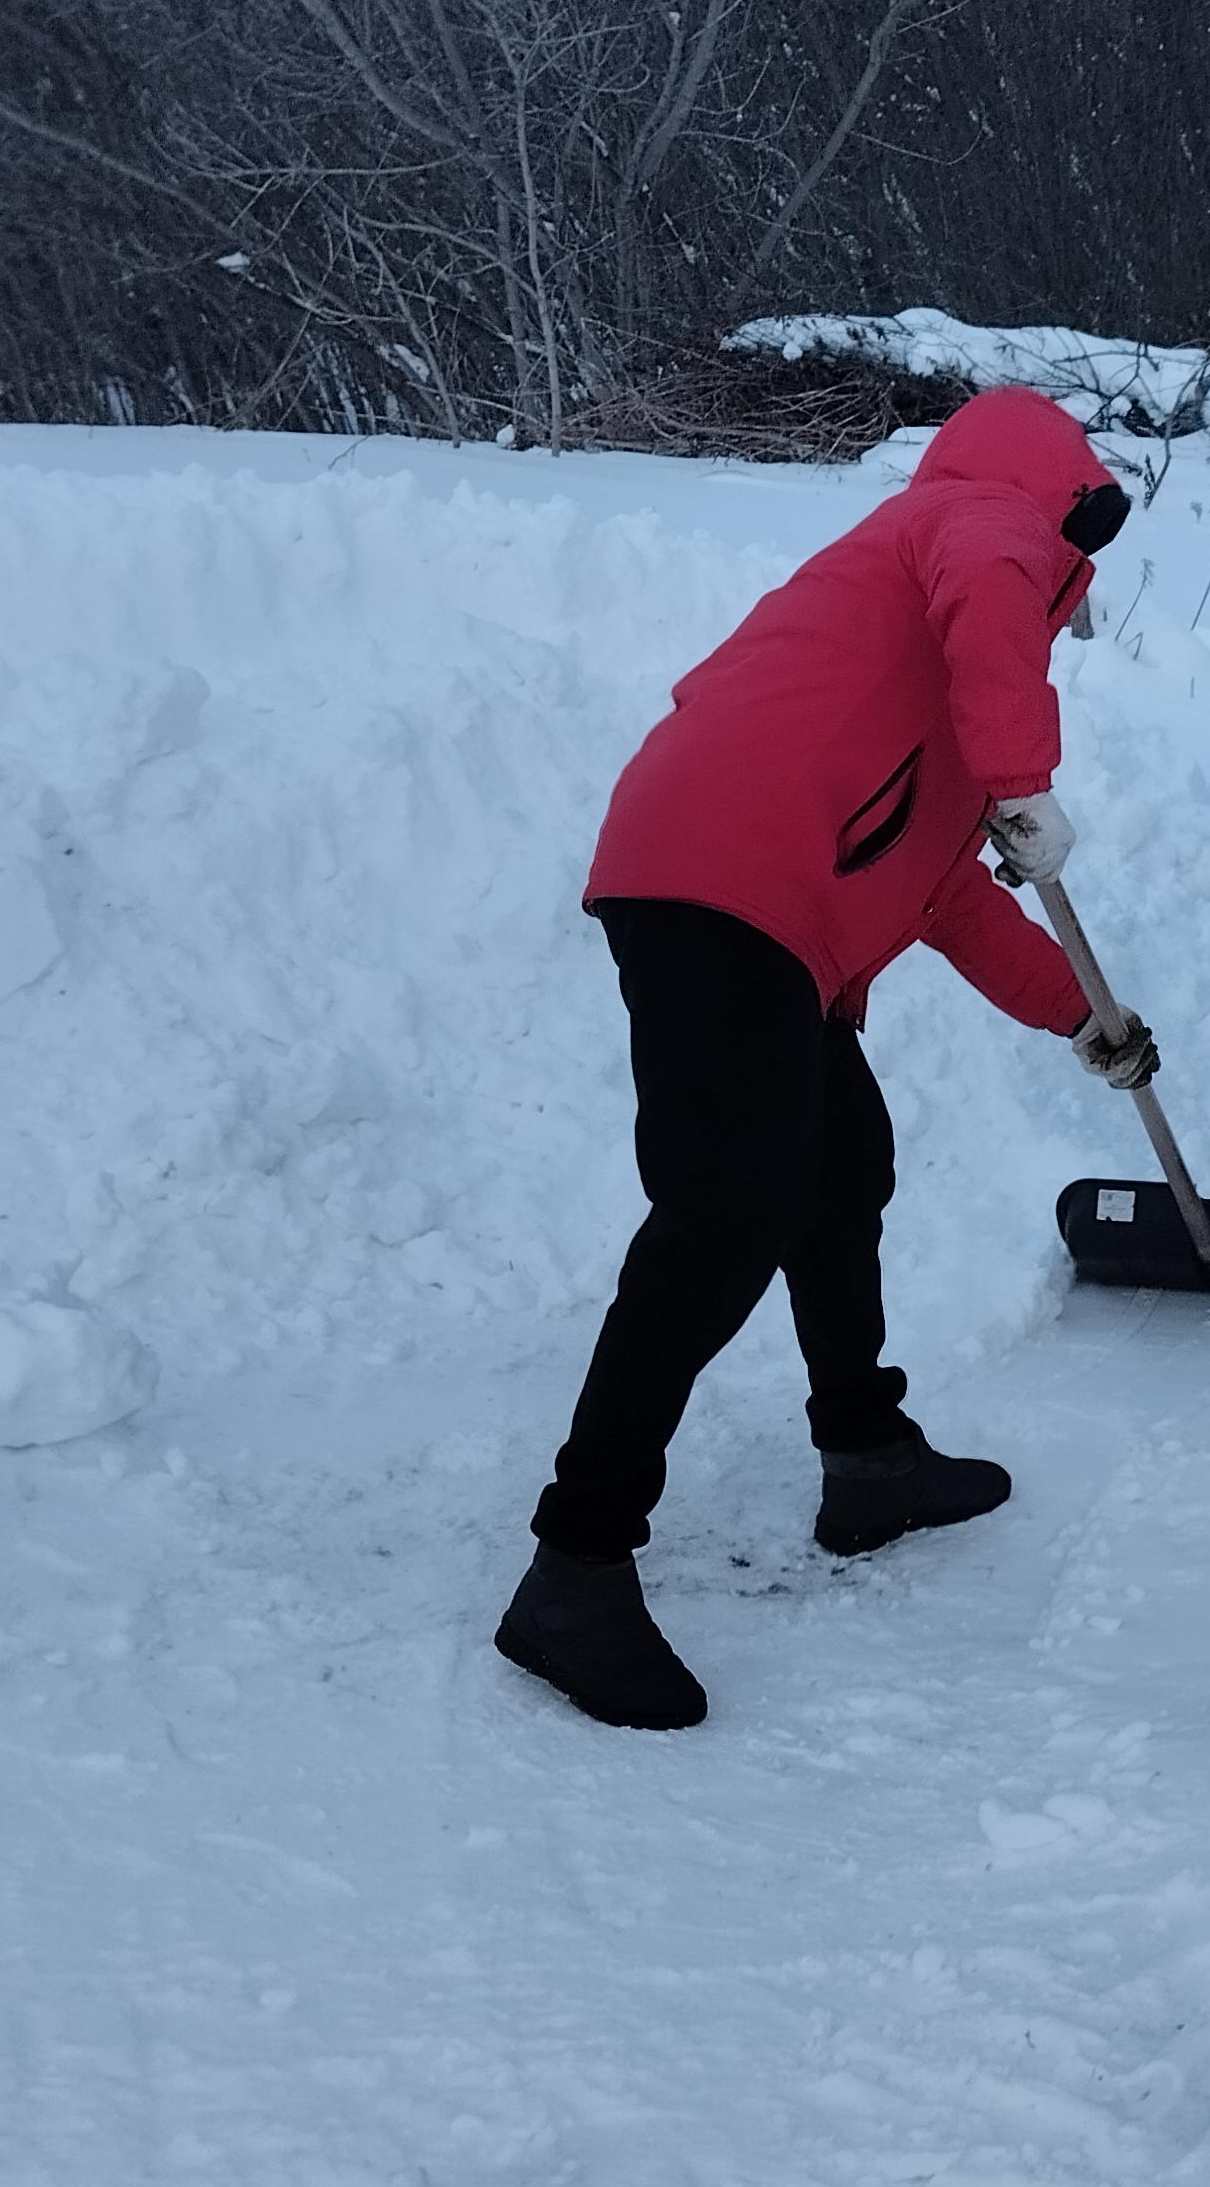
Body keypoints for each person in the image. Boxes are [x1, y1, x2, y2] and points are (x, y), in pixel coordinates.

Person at [495, 385, 1160, 1733]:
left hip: (754, 898)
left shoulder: (915, 682)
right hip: (723, 877)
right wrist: (1023, 773)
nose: (1067, 605)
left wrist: (1083, 1015)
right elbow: (997, 585)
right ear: (1055, 497)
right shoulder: (973, 523)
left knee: (839, 1163)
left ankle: (865, 1459)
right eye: (1072, 577)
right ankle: (573, 1566)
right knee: (724, 1213)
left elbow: (947, 902)